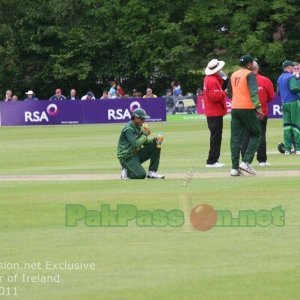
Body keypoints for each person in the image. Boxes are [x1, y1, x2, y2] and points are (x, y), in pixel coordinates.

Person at [227, 55, 263, 176]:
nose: (253, 64)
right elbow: (254, 92)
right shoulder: (250, 74)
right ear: (249, 64)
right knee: (256, 133)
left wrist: (237, 98)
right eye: (252, 62)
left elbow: (228, 93)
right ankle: (246, 161)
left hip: (235, 108)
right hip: (247, 108)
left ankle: (234, 168)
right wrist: (258, 107)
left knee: (236, 138)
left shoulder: (233, 74)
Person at [241, 61, 275, 166]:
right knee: (261, 135)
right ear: (258, 68)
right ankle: (262, 160)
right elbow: (271, 97)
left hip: (247, 112)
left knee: (246, 136)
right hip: (262, 113)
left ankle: (245, 160)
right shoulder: (265, 80)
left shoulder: (244, 80)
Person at [117, 108, 164, 179]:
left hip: (135, 154)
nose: (144, 121)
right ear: (136, 118)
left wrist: (154, 140)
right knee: (141, 175)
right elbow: (135, 144)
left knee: (156, 145)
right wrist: (144, 135)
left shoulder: (138, 127)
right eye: (142, 119)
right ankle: (126, 170)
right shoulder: (129, 129)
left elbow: (145, 142)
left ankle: (152, 172)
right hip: (126, 157)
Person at [203, 59, 227, 168]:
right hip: (215, 112)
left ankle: (213, 160)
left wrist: (221, 80)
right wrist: (224, 93)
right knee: (216, 137)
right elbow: (215, 97)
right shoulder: (212, 81)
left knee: (215, 137)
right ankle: (212, 161)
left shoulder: (209, 79)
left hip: (212, 112)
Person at [277, 60, 300, 155]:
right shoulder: (291, 77)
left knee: (287, 126)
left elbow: (278, 92)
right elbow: (294, 89)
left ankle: (287, 149)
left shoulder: (279, 78)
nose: (293, 69)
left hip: (284, 103)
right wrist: (298, 80)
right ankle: (298, 148)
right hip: (293, 103)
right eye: (292, 67)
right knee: (296, 126)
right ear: (289, 67)